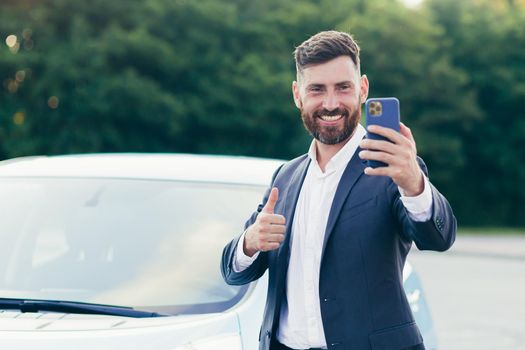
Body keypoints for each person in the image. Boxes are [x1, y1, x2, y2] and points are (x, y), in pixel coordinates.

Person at [221, 30, 456, 350]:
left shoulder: (394, 168)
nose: (330, 103)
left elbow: (438, 237)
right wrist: (251, 242)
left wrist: (414, 183)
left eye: (342, 88)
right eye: (317, 89)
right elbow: (232, 271)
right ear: (297, 95)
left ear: (362, 89)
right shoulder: (285, 177)